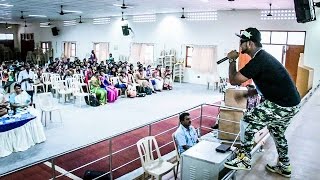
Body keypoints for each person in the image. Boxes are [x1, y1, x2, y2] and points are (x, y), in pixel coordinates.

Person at [223, 27, 301, 178]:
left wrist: (232, 60)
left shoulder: (259, 60)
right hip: (292, 104)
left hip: (282, 104)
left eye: (242, 42)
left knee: (247, 120)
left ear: (250, 43)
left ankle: (244, 159)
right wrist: (250, 93)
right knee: (277, 131)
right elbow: (270, 83)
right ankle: (284, 166)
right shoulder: (262, 58)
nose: (240, 45)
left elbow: (234, 80)